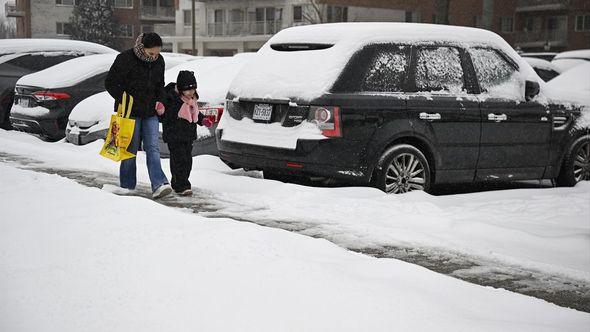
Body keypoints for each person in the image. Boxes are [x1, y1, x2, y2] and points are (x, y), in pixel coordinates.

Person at [105, 32, 173, 199]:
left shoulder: (159, 61)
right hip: (130, 112)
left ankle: (159, 184)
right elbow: (110, 83)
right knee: (130, 149)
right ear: (142, 48)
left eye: (157, 53)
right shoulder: (125, 59)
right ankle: (127, 186)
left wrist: (161, 101)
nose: (154, 57)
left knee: (153, 148)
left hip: (150, 112)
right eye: (151, 53)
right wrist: (124, 99)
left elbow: (160, 85)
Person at [159, 70, 213, 196]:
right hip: (174, 134)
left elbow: (195, 113)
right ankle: (182, 185)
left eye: (193, 89)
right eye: (188, 89)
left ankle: (179, 181)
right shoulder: (171, 98)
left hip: (188, 135)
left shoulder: (192, 99)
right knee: (179, 159)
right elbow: (164, 116)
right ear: (180, 88)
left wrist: (203, 120)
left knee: (187, 160)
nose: (191, 92)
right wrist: (164, 110)